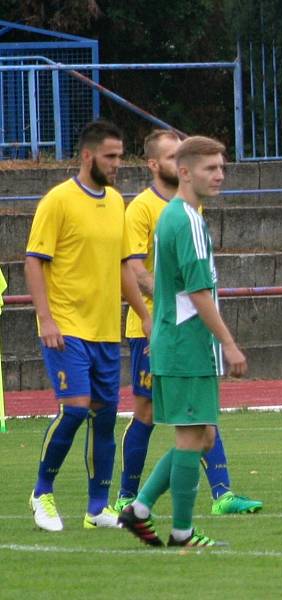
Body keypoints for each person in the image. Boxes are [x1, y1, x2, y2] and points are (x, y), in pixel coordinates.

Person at [115, 129, 262, 515]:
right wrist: (228, 343)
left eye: (222, 168)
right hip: (177, 338)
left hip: (174, 335)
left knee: (203, 432)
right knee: (177, 427)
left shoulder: (182, 213)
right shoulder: (171, 216)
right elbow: (184, 287)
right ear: (179, 170)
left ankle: (148, 505)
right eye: (211, 168)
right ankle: (152, 512)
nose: (219, 175)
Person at [26, 120, 151, 532]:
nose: (118, 163)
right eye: (110, 156)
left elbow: (122, 268)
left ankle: (98, 507)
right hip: (66, 326)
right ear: (87, 156)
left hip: (104, 331)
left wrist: (145, 315)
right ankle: (42, 491)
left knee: (104, 416)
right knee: (75, 409)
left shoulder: (116, 203)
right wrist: (45, 317)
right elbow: (34, 261)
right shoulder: (58, 201)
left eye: (120, 155)